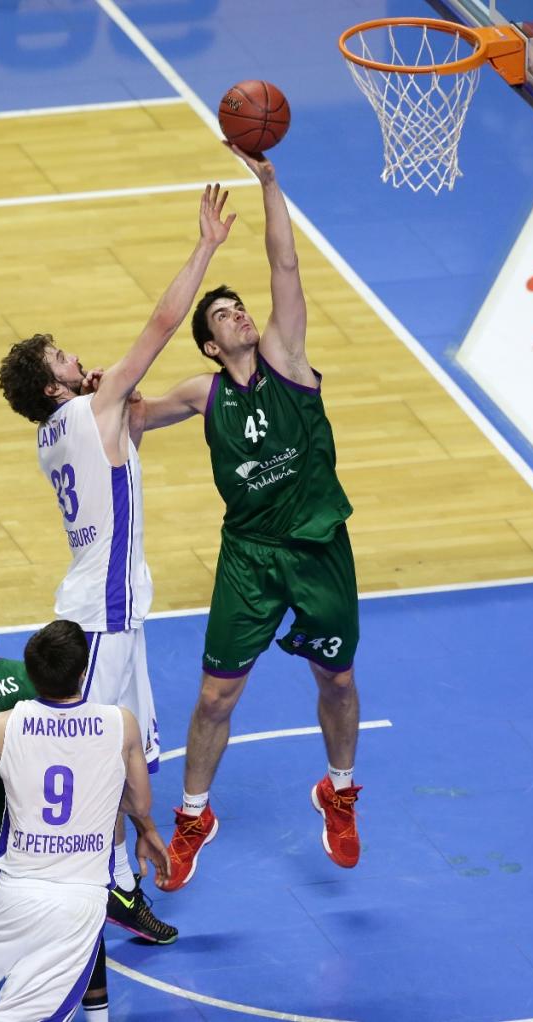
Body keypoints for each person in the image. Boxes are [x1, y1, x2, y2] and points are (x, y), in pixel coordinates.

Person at [0, 184, 236, 930]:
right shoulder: (89, 410)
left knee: (134, 754)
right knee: (99, 755)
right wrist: (205, 248)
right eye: (64, 356)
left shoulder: (64, 429)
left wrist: (221, 385)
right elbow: (164, 324)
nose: (78, 356)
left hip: (117, 611)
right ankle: (68, 885)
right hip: (98, 616)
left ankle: (119, 880)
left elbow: (168, 407)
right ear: (53, 384)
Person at [130, 147, 362, 892]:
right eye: (225, 314)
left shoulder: (288, 360)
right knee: (213, 696)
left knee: (336, 680)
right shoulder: (204, 393)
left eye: (240, 308)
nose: (241, 314)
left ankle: (338, 789)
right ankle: (194, 816)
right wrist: (90, 392)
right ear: (209, 343)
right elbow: (130, 412)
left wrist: (269, 183)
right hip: (250, 557)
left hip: (317, 546)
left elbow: (285, 270)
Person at [0, 618, 168, 1022]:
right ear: (84, 673)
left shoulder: (2, 726)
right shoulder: (122, 723)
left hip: (12, 894)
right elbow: (138, 802)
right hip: (78, 900)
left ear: (30, 674)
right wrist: (147, 830)